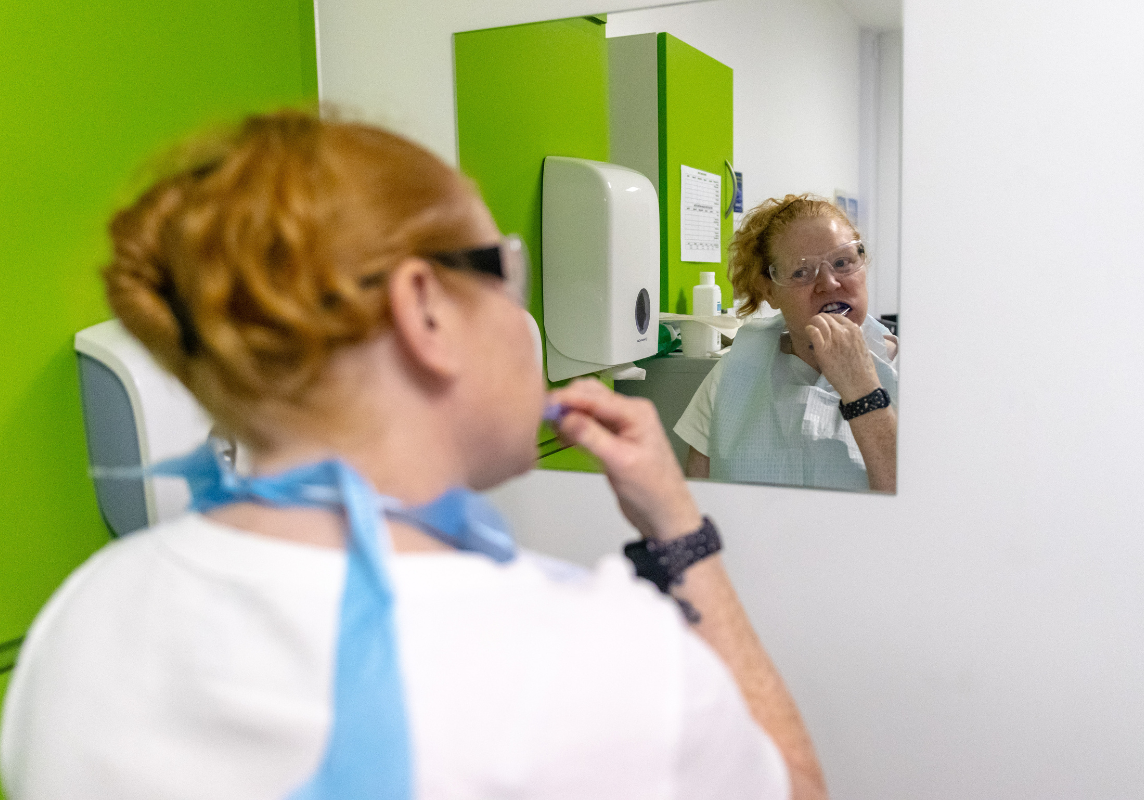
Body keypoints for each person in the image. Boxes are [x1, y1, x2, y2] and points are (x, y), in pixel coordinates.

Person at [0, 113, 827, 800]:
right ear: (424, 310)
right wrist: (680, 530)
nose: (524, 319)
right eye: (508, 271)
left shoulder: (82, 616)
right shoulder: (596, 661)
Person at [675, 194, 898, 492]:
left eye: (842, 262)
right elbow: (697, 499)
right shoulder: (732, 377)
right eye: (801, 272)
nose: (829, 283)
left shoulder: (908, 374)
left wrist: (863, 389)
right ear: (770, 291)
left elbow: (926, 512)